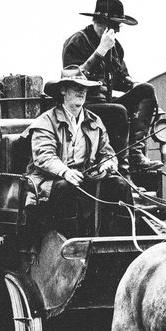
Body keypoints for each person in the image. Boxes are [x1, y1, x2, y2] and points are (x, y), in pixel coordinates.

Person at [62, 0, 163, 174]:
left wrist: (133, 85)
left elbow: (122, 79)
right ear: (100, 22)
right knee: (118, 111)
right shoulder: (77, 42)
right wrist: (100, 51)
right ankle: (123, 172)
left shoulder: (116, 47)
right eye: (114, 25)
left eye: (118, 26)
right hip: (83, 107)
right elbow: (74, 78)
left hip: (106, 104)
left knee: (146, 90)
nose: (117, 30)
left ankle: (135, 155)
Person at [27, 66, 132, 237]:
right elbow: (44, 156)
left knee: (120, 185)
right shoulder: (45, 121)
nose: (81, 92)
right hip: (51, 181)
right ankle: (71, 248)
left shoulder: (94, 121)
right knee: (66, 187)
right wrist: (65, 172)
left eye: (84, 88)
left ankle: (119, 245)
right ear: (63, 90)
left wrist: (108, 163)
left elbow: (107, 152)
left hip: (86, 177)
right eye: (76, 87)